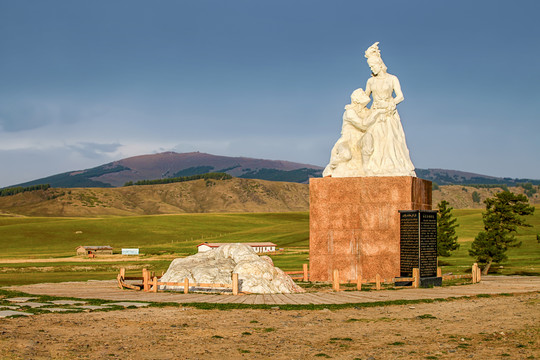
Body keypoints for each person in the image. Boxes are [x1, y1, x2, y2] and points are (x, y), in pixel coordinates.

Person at [363, 42, 416, 177]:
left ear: (380, 65)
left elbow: (400, 96)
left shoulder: (392, 79)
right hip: (375, 114)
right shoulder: (370, 81)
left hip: (388, 114)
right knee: (375, 141)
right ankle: (374, 167)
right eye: (370, 66)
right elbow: (365, 98)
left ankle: (391, 166)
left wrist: (390, 103)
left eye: (373, 66)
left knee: (390, 141)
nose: (372, 68)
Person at [323, 88, 383, 177]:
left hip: (359, 140)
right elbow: (363, 125)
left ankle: (366, 167)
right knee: (346, 155)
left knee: (368, 137)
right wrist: (377, 112)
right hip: (347, 140)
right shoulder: (349, 112)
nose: (365, 95)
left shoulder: (366, 111)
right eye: (362, 94)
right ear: (357, 99)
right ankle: (331, 166)